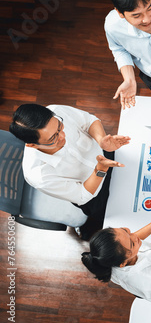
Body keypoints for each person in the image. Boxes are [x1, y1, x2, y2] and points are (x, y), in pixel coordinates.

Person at [9, 103, 130, 240]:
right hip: (94, 191)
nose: (62, 136)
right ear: (32, 145)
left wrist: (101, 140)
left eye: (60, 127)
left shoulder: (55, 111)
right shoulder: (38, 175)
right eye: (53, 138)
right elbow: (82, 195)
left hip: (105, 153)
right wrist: (100, 169)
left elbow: (88, 121)